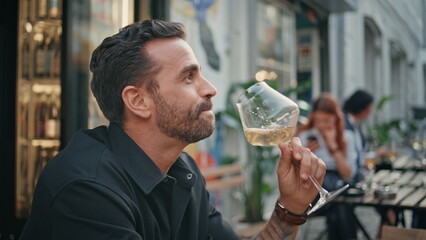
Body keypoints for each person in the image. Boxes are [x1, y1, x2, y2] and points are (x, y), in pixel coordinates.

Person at [20, 19, 325, 240]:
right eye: (188, 77)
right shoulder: (86, 187)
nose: (210, 90)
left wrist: (291, 208)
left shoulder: (182, 170)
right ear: (138, 101)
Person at [297, 93, 358, 240]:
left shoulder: (346, 136)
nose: (321, 125)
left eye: (326, 120)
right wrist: (306, 155)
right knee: (341, 206)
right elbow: (299, 175)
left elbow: (348, 174)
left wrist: (333, 147)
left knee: (339, 206)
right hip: (313, 189)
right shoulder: (306, 136)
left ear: (335, 117)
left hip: (338, 187)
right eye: (318, 120)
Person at [342, 89, 374, 184]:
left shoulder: (355, 124)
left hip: (357, 178)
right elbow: (349, 157)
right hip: (348, 181)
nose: (370, 111)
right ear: (361, 107)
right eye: (369, 108)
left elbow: (358, 154)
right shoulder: (344, 126)